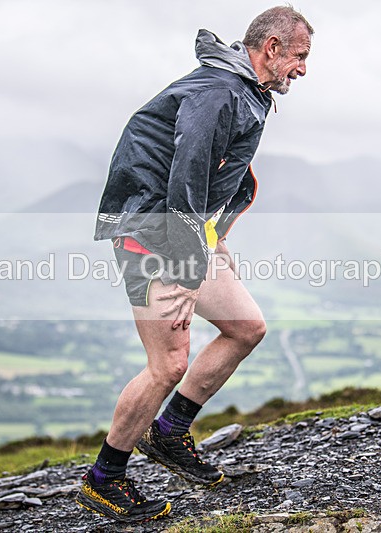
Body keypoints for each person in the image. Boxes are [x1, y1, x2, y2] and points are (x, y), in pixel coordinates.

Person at [77, 6, 313, 522]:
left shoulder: (245, 91)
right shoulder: (219, 91)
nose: (302, 69)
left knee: (246, 327)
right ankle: (104, 480)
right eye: (299, 57)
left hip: (181, 232)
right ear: (270, 48)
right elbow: (188, 174)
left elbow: (221, 176)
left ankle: (169, 431)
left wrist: (215, 239)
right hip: (148, 230)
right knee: (168, 363)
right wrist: (187, 267)